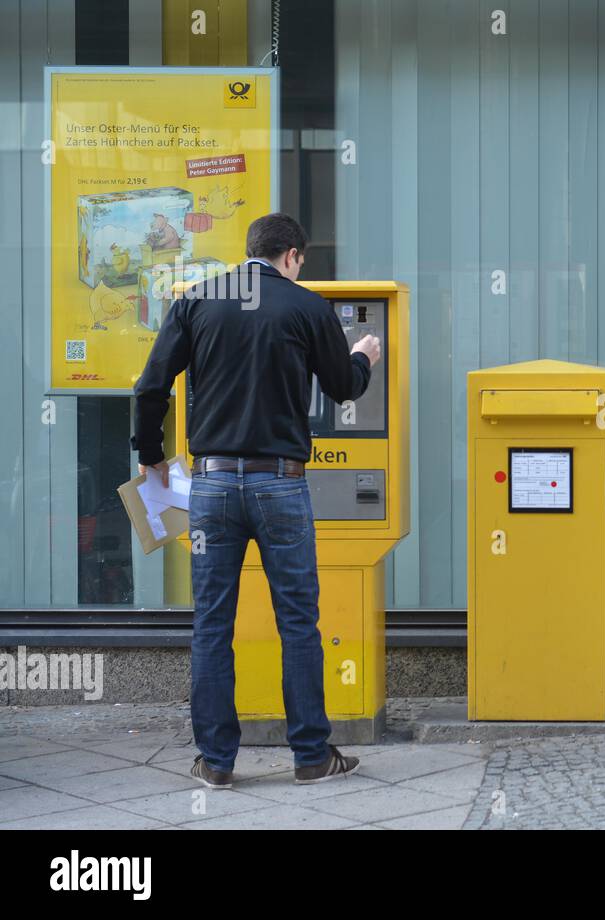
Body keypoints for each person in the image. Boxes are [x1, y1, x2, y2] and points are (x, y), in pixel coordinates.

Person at [132, 213, 382, 789]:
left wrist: (150, 455)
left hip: (212, 485)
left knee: (212, 623)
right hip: (281, 483)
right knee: (298, 621)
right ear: (291, 256)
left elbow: (150, 386)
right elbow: (343, 388)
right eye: (300, 261)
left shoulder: (196, 301)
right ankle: (311, 757)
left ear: (250, 254)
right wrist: (364, 354)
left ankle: (217, 763)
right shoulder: (307, 307)